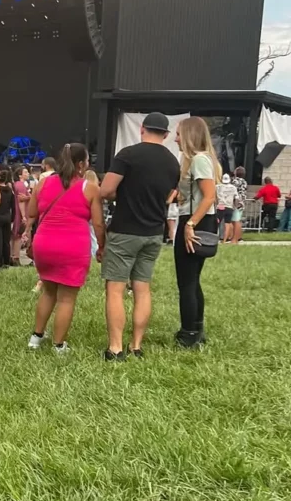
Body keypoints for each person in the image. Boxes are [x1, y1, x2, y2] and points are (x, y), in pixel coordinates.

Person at [99, 112, 181, 360]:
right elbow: (170, 195)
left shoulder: (127, 155)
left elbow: (106, 190)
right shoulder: (172, 162)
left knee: (115, 289)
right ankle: (136, 345)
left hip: (125, 230)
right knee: (142, 289)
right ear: (166, 135)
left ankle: (115, 348)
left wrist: (119, 196)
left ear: (142, 129)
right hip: (154, 232)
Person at [26, 143, 105, 353]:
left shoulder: (42, 183)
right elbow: (98, 223)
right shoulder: (89, 188)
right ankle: (59, 345)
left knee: (48, 291)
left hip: (44, 243)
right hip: (73, 246)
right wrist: (102, 247)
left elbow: (32, 212)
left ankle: (36, 337)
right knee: (67, 298)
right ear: (81, 164)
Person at [174, 117, 220, 348]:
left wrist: (190, 225)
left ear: (190, 135)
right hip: (199, 219)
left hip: (195, 221)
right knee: (192, 280)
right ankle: (196, 328)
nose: (175, 138)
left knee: (187, 282)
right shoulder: (198, 160)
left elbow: (209, 196)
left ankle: (189, 333)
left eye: (179, 134)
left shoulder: (199, 160)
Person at [11, 166, 30, 264]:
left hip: (16, 212)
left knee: (14, 235)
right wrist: (23, 216)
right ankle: (16, 257)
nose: (28, 174)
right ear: (20, 175)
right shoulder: (21, 185)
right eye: (25, 172)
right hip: (20, 213)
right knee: (18, 234)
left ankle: (12, 255)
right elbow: (21, 201)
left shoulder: (16, 184)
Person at [227, 166, 249, 244]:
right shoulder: (244, 181)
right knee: (237, 220)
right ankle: (238, 237)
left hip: (236, 202)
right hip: (241, 202)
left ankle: (234, 239)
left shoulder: (236, 181)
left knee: (235, 221)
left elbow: (231, 190)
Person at [216, 173, 237, 242]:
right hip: (229, 207)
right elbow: (236, 197)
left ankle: (215, 238)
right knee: (227, 223)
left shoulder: (217, 187)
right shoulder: (233, 188)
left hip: (220, 206)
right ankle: (224, 240)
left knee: (217, 222)